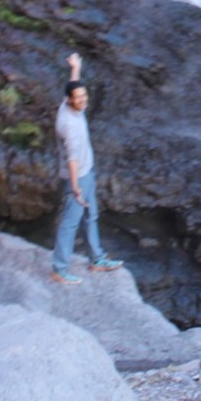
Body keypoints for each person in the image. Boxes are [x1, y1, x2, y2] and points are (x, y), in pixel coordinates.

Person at [51, 53, 123, 284]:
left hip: (87, 172)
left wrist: (75, 68)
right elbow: (72, 159)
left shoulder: (67, 105)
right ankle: (59, 269)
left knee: (91, 215)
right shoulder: (68, 125)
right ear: (70, 100)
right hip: (78, 176)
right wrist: (75, 188)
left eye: (84, 95)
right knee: (70, 222)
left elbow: (73, 85)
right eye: (79, 97)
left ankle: (97, 259)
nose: (83, 100)